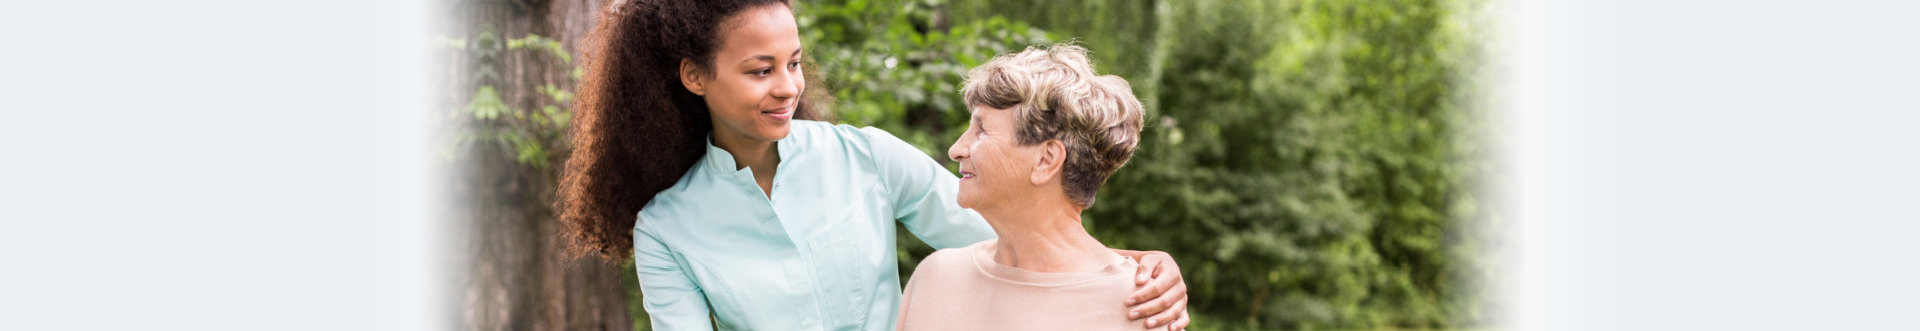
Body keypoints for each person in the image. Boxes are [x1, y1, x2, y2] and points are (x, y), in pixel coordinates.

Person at [554, 1, 1192, 330]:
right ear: (695, 76)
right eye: (760, 70)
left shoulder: (866, 156)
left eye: (794, 62)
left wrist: (1135, 271)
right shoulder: (668, 229)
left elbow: (1023, 236)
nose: (787, 87)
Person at [894, 44, 1167, 330]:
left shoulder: (1142, 307)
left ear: (1046, 160)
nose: (956, 149)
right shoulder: (936, 278)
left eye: (982, 130)